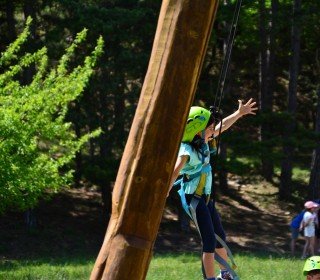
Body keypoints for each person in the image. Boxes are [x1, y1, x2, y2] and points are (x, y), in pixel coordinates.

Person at [168, 99, 257, 280]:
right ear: (196, 131)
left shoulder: (202, 142)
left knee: (219, 236)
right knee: (208, 241)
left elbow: (220, 129)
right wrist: (163, 192)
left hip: (205, 198)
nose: (212, 130)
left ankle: (225, 275)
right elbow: (174, 172)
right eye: (209, 128)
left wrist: (239, 114)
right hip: (193, 198)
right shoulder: (186, 149)